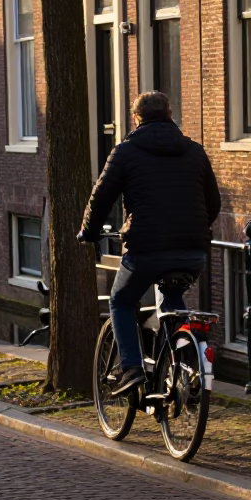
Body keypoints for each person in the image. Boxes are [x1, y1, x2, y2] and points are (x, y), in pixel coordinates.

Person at [79, 92, 221, 397]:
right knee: (172, 300)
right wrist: (194, 230)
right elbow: (214, 202)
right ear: (171, 115)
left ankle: (131, 368)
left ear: (136, 118)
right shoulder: (195, 151)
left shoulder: (125, 152)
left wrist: (89, 232)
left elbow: (101, 196)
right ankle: (182, 364)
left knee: (120, 300)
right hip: (193, 249)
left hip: (145, 249)